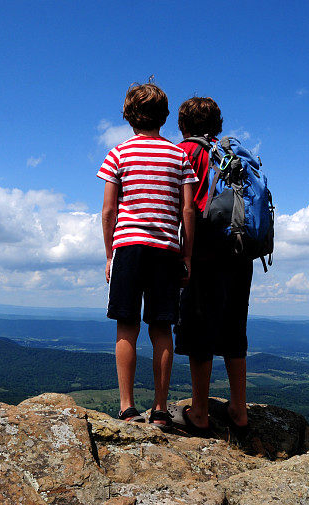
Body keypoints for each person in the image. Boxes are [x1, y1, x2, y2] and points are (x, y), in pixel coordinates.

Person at [98, 83, 197, 426]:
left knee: (127, 327)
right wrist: (186, 255)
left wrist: (110, 254)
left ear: (128, 116)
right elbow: (187, 211)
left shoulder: (118, 154)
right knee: (161, 328)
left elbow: (109, 211)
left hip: (128, 247)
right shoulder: (178, 156)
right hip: (166, 251)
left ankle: (127, 408)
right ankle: (160, 409)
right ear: (165, 117)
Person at [173, 97, 252, 438]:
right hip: (240, 253)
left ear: (183, 124)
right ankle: (238, 409)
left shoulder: (184, 153)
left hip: (203, 253)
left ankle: (200, 412)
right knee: (234, 328)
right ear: (217, 124)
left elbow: (180, 205)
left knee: (198, 330)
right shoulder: (232, 154)